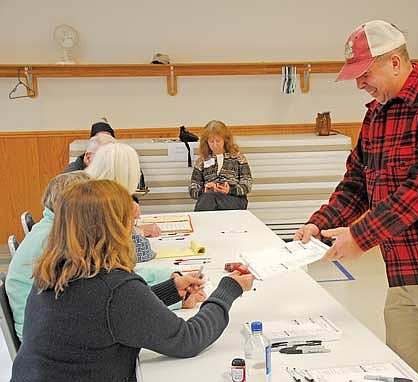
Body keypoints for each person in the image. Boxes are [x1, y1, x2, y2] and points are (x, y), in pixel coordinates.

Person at [294, 20, 418, 382]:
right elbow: (356, 183)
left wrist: (359, 236)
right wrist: (320, 223)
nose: (359, 84)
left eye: (365, 73)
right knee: (404, 372)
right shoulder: (376, 115)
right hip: (402, 272)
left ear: (395, 63)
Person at [10, 179, 255, 382]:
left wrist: (169, 291)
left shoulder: (53, 270)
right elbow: (188, 339)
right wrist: (228, 289)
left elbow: (102, 315)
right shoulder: (115, 288)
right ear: (113, 228)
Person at [5, 171, 90, 341]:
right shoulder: (55, 238)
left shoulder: (52, 227)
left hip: (38, 323)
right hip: (40, 335)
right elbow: (95, 282)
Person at [189, 120, 252, 211]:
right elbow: (193, 188)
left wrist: (230, 190)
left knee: (208, 199)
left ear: (225, 140)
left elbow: (247, 184)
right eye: (211, 142)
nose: (215, 145)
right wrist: (204, 190)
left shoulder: (238, 158)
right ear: (206, 142)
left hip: (234, 199)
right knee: (208, 197)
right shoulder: (201, 161)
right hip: (209, 199)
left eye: (218, 141)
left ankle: (197, 222)